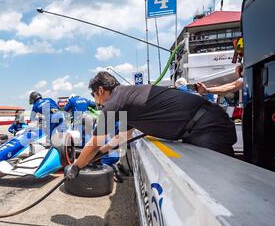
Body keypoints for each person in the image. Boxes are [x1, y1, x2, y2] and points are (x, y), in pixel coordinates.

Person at [64, 71, 237, 180]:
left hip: (207, 126)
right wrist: (98, 155)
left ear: (101, 90)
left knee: (219, 185)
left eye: (94, 95)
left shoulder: (114, 103)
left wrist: (76, 166)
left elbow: (95, 142)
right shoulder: (127, 97)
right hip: (205, 123)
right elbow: (122, 138)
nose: (96, 100)